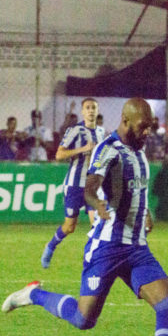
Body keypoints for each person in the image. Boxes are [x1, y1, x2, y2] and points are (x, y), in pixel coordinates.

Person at [1, 98, 168, 336]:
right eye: (143, 126)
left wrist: (145, 211)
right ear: (126, 121)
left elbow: (135, 189)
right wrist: (97, 201)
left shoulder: (139, 151)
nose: (148, 131)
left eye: (150, 126)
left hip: (136, 248)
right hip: (106, 248)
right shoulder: (108, 148)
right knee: (84, 320)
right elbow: (91, 184)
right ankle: (33, 294)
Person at [41, 98, 105, 268]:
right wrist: (82, 149)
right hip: (75, 185)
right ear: (83, 112)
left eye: (93, 108)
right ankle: (51, 246)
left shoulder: (101, 132)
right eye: (87, 108)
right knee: (70, 227)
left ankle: (93, 260)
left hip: (92, 187)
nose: (91, 111)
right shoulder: (75, 130)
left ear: (97, 111)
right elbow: (59, 154)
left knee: (97, 224)